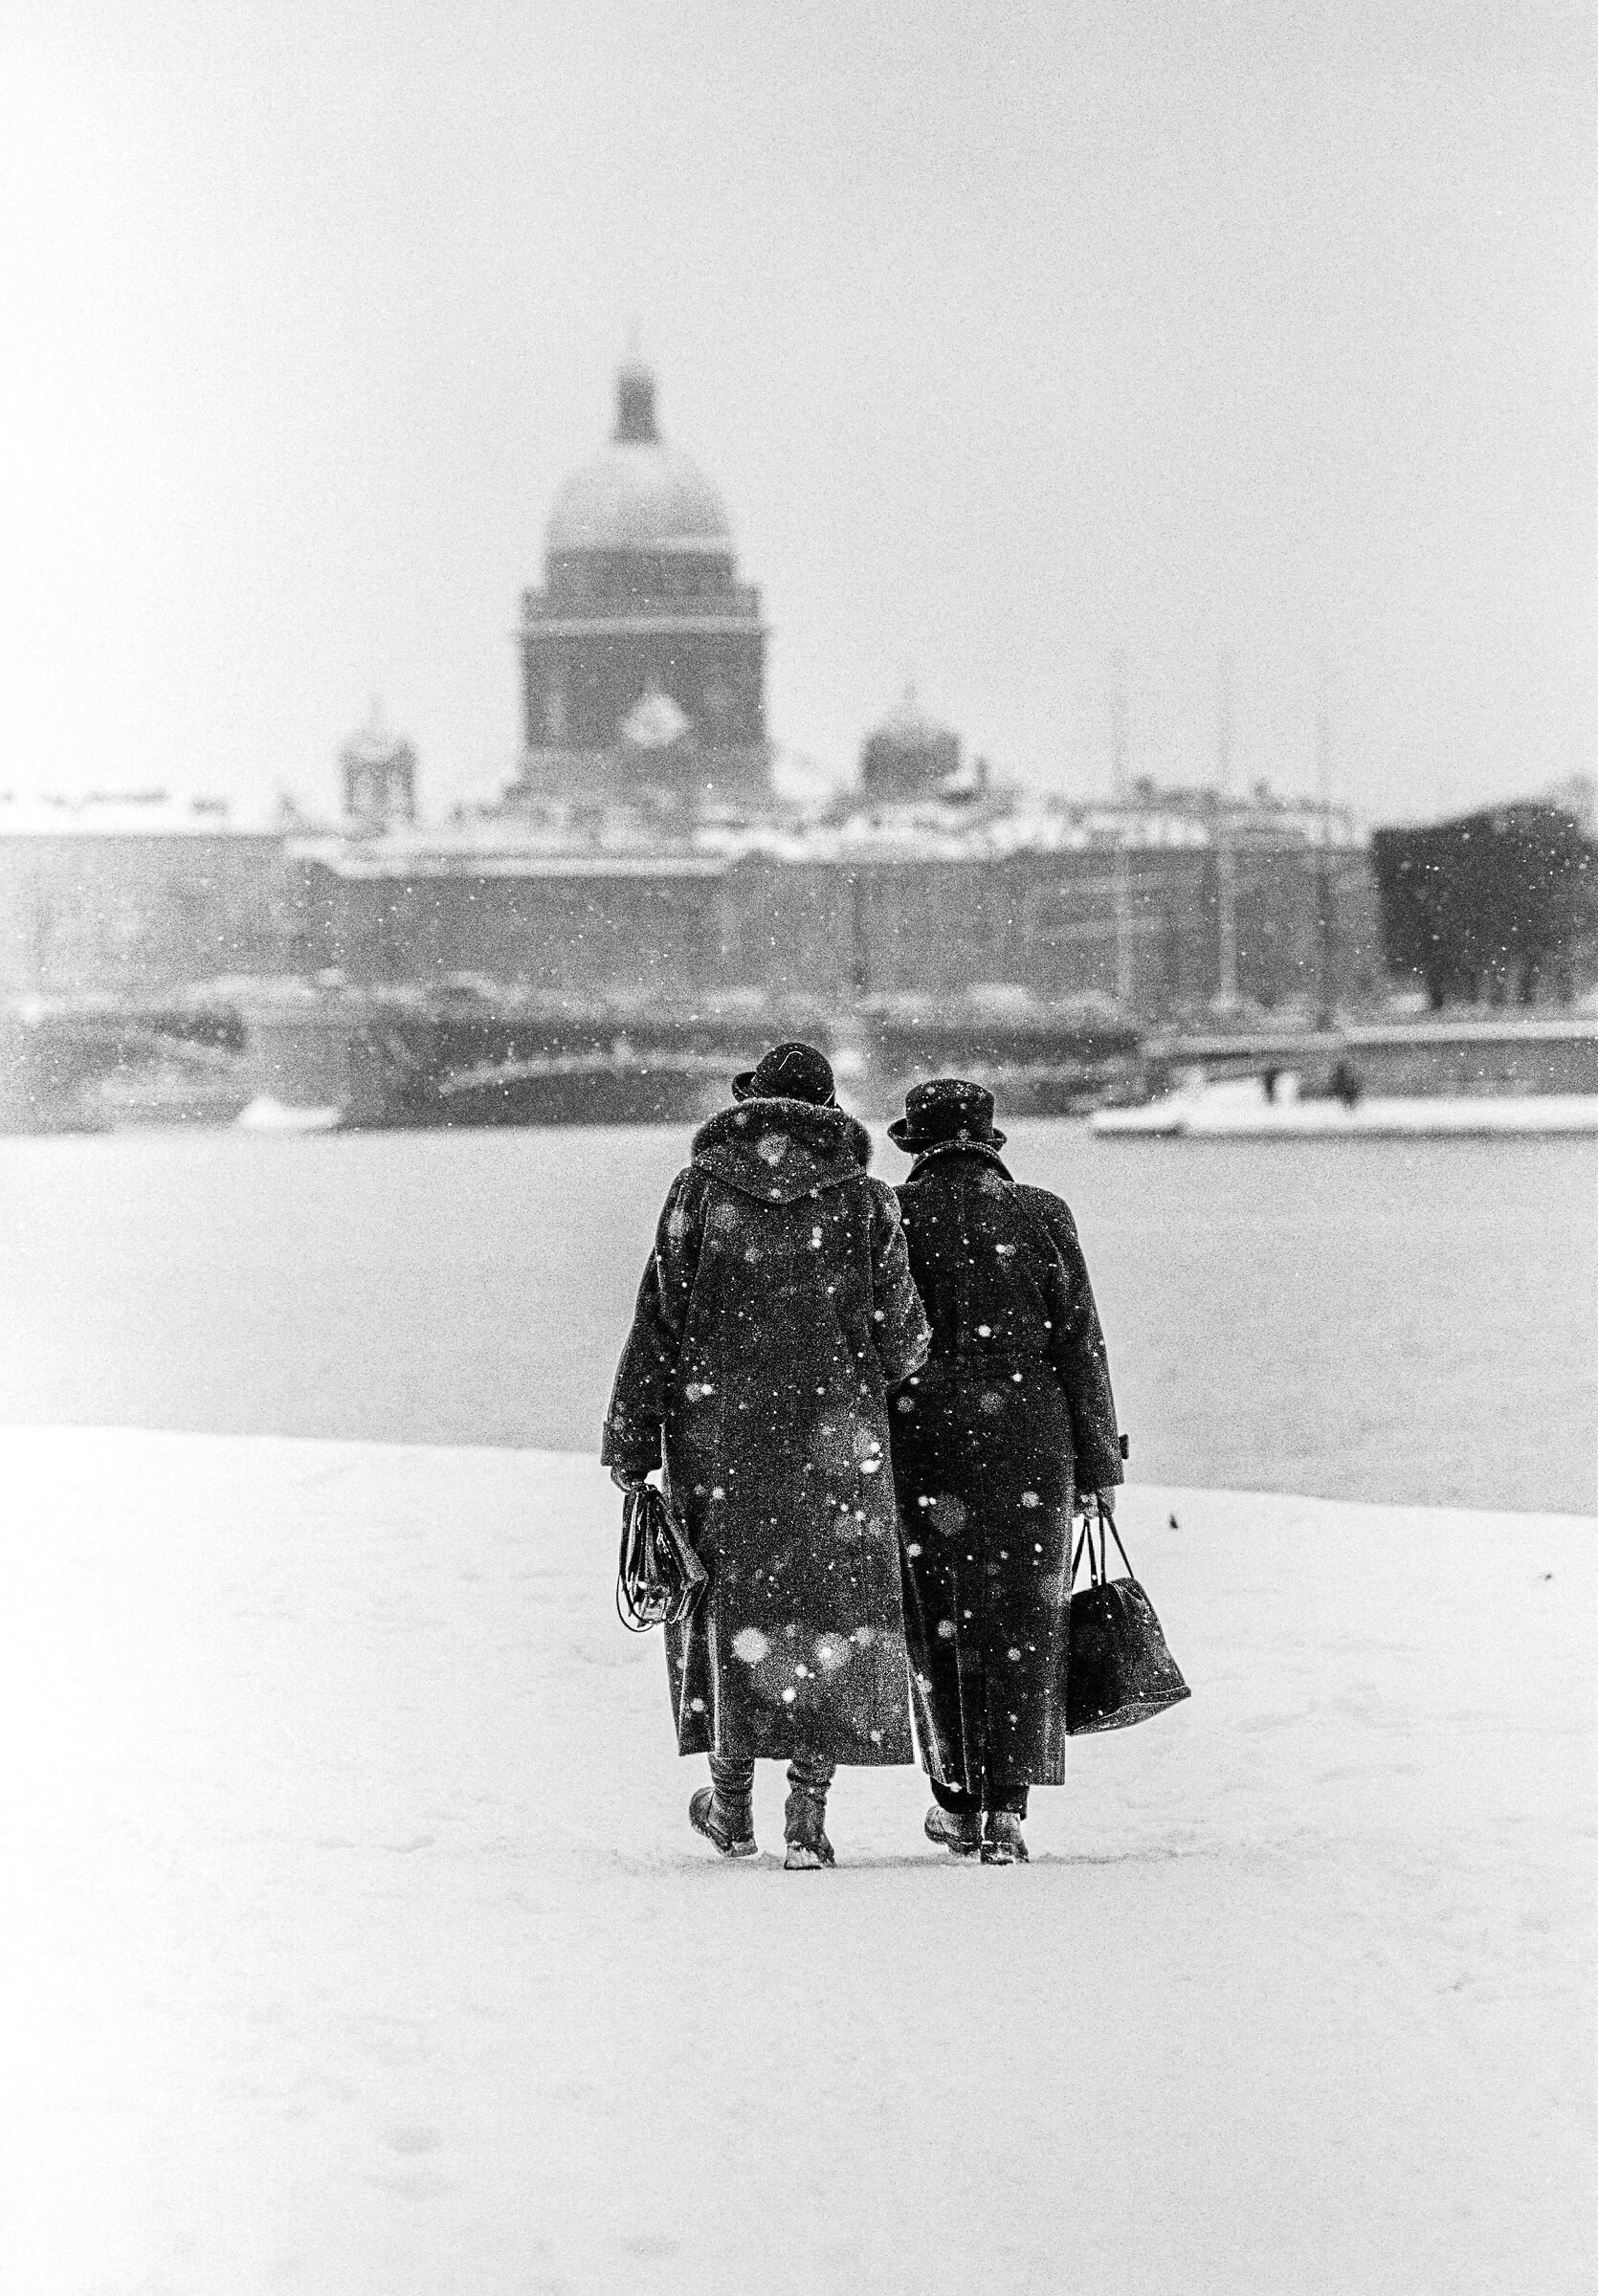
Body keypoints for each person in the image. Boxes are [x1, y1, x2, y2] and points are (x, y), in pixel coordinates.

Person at [603, 1041, 931, 1870]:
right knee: (831, 1615)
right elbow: (903, 1338)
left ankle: (731, 1803)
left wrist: (631, 1439)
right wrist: (850, 1369)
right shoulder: (865, 1200)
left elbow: (658, 1321)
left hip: (721, 1442)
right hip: (836, 1445)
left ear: (752, 1104)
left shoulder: (699, 1191)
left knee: (729, 1609)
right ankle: (808, 1818)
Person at [886, 1078, 1124, 1866]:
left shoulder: (893, 1215)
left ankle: (955, 1798)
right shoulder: (1042, 1215)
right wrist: (1097, 1464)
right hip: (1029, 1434)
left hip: (921, 1435)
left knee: (938, 1617)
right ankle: (1007, 1812)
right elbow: (1080, 1345)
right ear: (989, 1140)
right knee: (1024, 1619)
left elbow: (876, 1337)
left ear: (917, 1144)